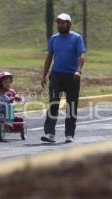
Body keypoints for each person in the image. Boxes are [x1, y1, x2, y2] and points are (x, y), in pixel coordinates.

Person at [41, 13, 86, 143]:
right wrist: (44, 75)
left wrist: (78, 71)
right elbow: (49, 57)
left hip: (72, 77)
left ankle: (69, 134)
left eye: (63, 22)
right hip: (56, 76)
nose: (60, 25)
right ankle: (50, 133)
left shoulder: (77, 38)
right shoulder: (54, 39)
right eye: (59, 23)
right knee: (53, 103)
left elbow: (81, 56)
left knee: (71, 106)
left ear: (69, 24)